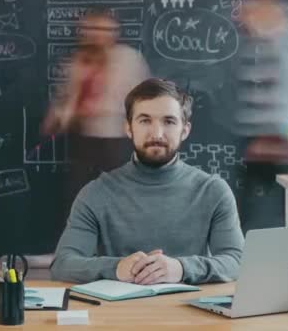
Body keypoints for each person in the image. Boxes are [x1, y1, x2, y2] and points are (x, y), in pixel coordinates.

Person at [50, 78, 244, 285]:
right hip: (117, 314)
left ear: (185, 130)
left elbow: (237, 261)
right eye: (145, 120)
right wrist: (116, 267)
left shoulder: (213, 191)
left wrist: (181, 268)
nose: (157, 133)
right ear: (128, 127)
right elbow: (63, 264)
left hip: (192, 314)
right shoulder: (95, 193)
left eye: (168, 121)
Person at [217, 0, 288, 233]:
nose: (246, 16)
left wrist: (274, 140)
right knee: (250, 218)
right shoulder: (256, 49)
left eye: (256, 10)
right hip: (260, 150)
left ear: (276, 12)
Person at [42, 8, 150, 238]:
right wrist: (57, 116)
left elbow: (142, 99)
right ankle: (72, 248)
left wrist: (103, 109)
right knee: (76, 195)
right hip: (83, 137)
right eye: (91, 29)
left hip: (116, 139)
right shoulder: (78, 61)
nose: (96, 34)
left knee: (121, 196)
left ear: (114, 32)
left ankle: (123, 249)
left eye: (102, 29)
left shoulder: (128, 59)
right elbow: (68, 97)